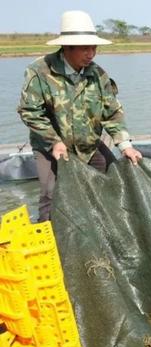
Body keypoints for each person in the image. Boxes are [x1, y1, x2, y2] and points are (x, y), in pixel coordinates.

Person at [17, 10, 142, 222]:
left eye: (94, 48)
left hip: (88, 145)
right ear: (67, 47)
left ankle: (102, 230)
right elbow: (30, 112)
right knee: (51, 195)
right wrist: (55, 141)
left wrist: (125, 145)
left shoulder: (97, 74)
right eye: (85, 48)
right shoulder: (40, 71)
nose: (91, 54)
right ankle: (53, 243)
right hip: (50, 148)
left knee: (112, 181)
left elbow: (112, 113)